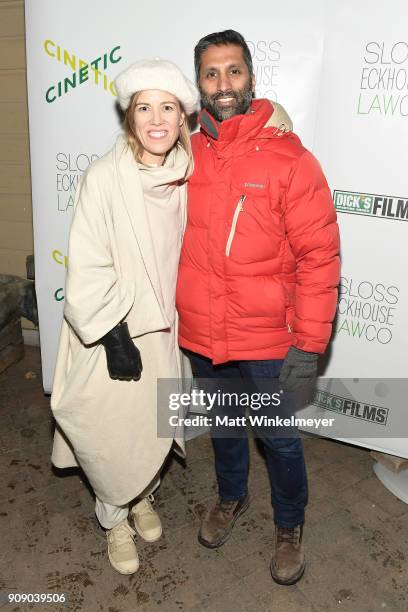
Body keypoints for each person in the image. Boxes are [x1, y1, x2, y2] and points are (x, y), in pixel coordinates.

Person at [176, 30, 340, 585]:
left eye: (234, 72)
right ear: (198, 84)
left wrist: (309, 345)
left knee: (277, 437)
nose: (224, 85)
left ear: (251, 78)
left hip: (270, 338)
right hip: (205, 331)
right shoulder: (185, 151)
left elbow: (320, 257)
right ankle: (231, 497)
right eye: (211, 74)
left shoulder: (290, 158)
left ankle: (289, 525)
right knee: (223, 423)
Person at [50, 58, 199, 575]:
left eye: (167, 107)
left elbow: (260, 138)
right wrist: (113, 334)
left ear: (183, 118)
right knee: (112, 432)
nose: (156, 119)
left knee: (153, 427)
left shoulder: (188, 170)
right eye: (143, 108)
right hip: (112, 331)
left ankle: (142, 498)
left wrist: (277, 123)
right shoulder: (103, 177)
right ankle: (114, 517)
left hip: (164, 331)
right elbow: (89, 261)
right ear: (129, 117)